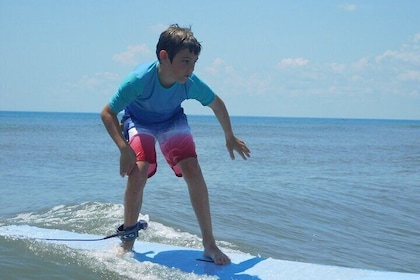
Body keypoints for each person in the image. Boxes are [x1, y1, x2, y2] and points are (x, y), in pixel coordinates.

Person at [100, 24, 250, 265]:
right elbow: (107, 112)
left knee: (192, 168)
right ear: (164, 57)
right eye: (185, 61)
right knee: (138, 173)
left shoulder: (189, 83)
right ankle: (127, 241)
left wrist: (229, 136)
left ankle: (209, 245)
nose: (190, 69)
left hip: (171, 120)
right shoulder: (139, 80)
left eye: (194, 63)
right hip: (139, 121)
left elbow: (217, 105)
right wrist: (123, 148)